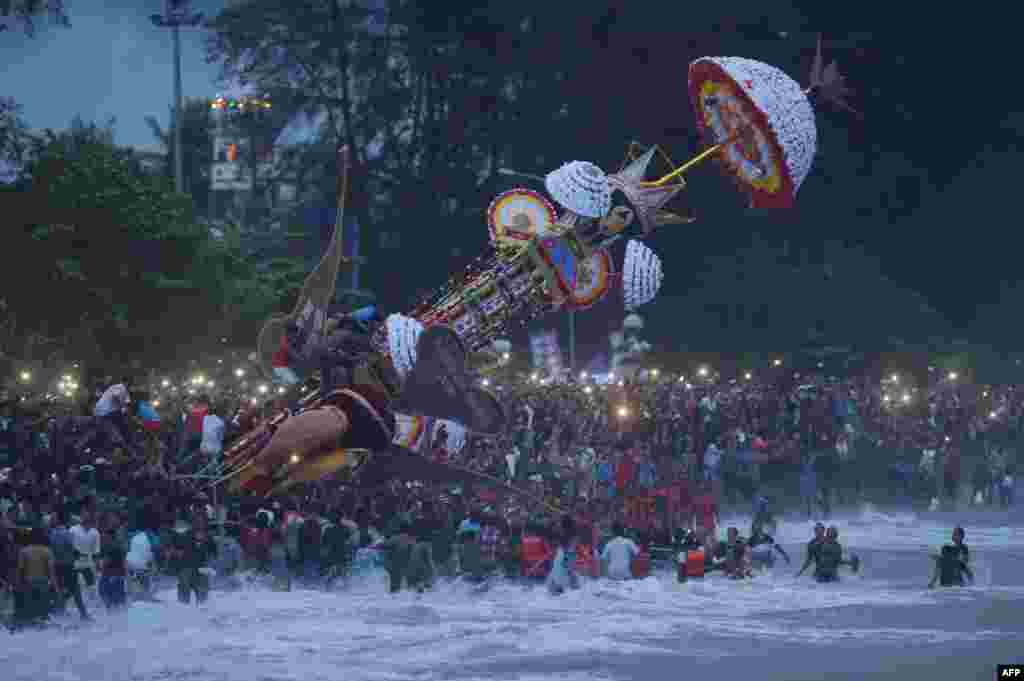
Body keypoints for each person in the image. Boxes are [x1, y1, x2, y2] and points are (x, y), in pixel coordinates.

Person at [49, 512, 91, 621]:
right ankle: (83, 615)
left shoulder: (52, 533)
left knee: (59, 590)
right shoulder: (66, 533)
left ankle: (58, 613)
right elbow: (71, 549)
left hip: (57, 566)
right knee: (75, 591)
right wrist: (79, 555)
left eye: (53, 518)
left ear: (58, 520)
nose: (50, 520)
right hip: (67, 566)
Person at [13, 527, 58, 628]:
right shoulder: (47, 551)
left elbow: (20, 570)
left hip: (28, 583)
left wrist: (17, 585)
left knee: (30, 611)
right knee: (43, 612)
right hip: (43, 583)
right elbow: (51, 572)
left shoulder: (24, 551)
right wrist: (56, 587)